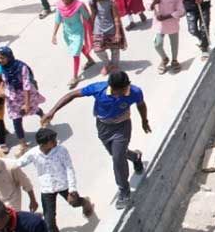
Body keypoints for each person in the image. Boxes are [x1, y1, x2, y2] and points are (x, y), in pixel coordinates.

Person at [40, 70, 149, 210]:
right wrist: (52, 111)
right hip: (104, 127)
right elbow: (72, 94)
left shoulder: (135, 91)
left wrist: (144, 121)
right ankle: (135, 156)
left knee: (117, 158)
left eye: (123, 89)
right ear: (111, 87)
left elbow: (141, 105)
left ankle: (124, 191)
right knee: (116, 154)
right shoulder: (99, 89)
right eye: (117, 91)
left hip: (122, 126)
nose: (120, 93)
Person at [15, 128, 94, 232]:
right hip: (47, 189)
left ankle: (84, 202)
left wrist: (72, 190)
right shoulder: (33, 154)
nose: (55, 141)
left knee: (74, 203)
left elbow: (69, 168)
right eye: (52, 140)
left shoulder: (61, 151)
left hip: (63, 185)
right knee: (49, 220)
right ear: (44, 144)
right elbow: (18, 164)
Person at [0, 47, 45, 155]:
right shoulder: (1, 68)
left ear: (9, 56)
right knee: (16, 120)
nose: (0, 60)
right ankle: (23, 144)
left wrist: (27, 104)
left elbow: (26, 86)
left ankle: (43, 116)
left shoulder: (21, 67)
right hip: (12, 98)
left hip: (25, 96)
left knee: (33, 109)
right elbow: (2, 81)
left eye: (2, 58)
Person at [149, 0, 185, 74]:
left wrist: (167, 17)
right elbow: (148, 7)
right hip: (159, 25)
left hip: (172, 24)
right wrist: (154, 3)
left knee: (174, 44)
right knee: (157, 44)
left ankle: (174, 60)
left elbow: (181, 11)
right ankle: (164, 59)